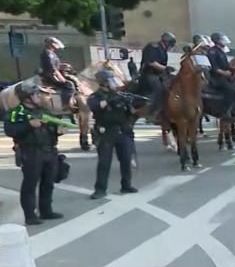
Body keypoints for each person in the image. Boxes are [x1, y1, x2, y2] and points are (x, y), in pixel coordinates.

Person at [4, 83, 63, 225]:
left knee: (48, 182)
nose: (39, 96)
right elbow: (10, 130)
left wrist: (58, 131)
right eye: (35, 94)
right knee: (30, 184)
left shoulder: (42, 110)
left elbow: (52, 127)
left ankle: (46, 210)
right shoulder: (17, 112)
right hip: (30, 152)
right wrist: (28, 125)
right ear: (27, 97)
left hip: (49, 150)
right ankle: (30, 215)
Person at [87, 69, 138, 199]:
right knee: (104, 162)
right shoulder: (95, 96)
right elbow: (96, 106)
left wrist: (130, 103)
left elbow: (132, 113)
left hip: (122, 131)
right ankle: (100, 189)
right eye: (111, 81)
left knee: (126, 159)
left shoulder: (120, 95)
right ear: (104, 83)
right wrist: (110, 100)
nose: (114, 83)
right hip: (106, 132)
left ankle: (126, 185)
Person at [140, 32, 177, 122]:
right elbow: (151, 62)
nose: (171, 47)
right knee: (159, 88)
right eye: (171, 44)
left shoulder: (163, 50)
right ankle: (152, 113)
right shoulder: (153, 47)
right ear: (167, 42)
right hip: (149, 74)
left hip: (160, 75)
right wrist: (165, 68)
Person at [38, 37, 76, 108]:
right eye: (55, 44)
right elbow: (52, 67)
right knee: (69, 85)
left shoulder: (51, 53)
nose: (57, 46)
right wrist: (60, 77)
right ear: (52, 44)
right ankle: (65, 104)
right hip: (50, 74)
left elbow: (55, 65)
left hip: (51, 72)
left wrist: (63, 65)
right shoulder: (48, 53)